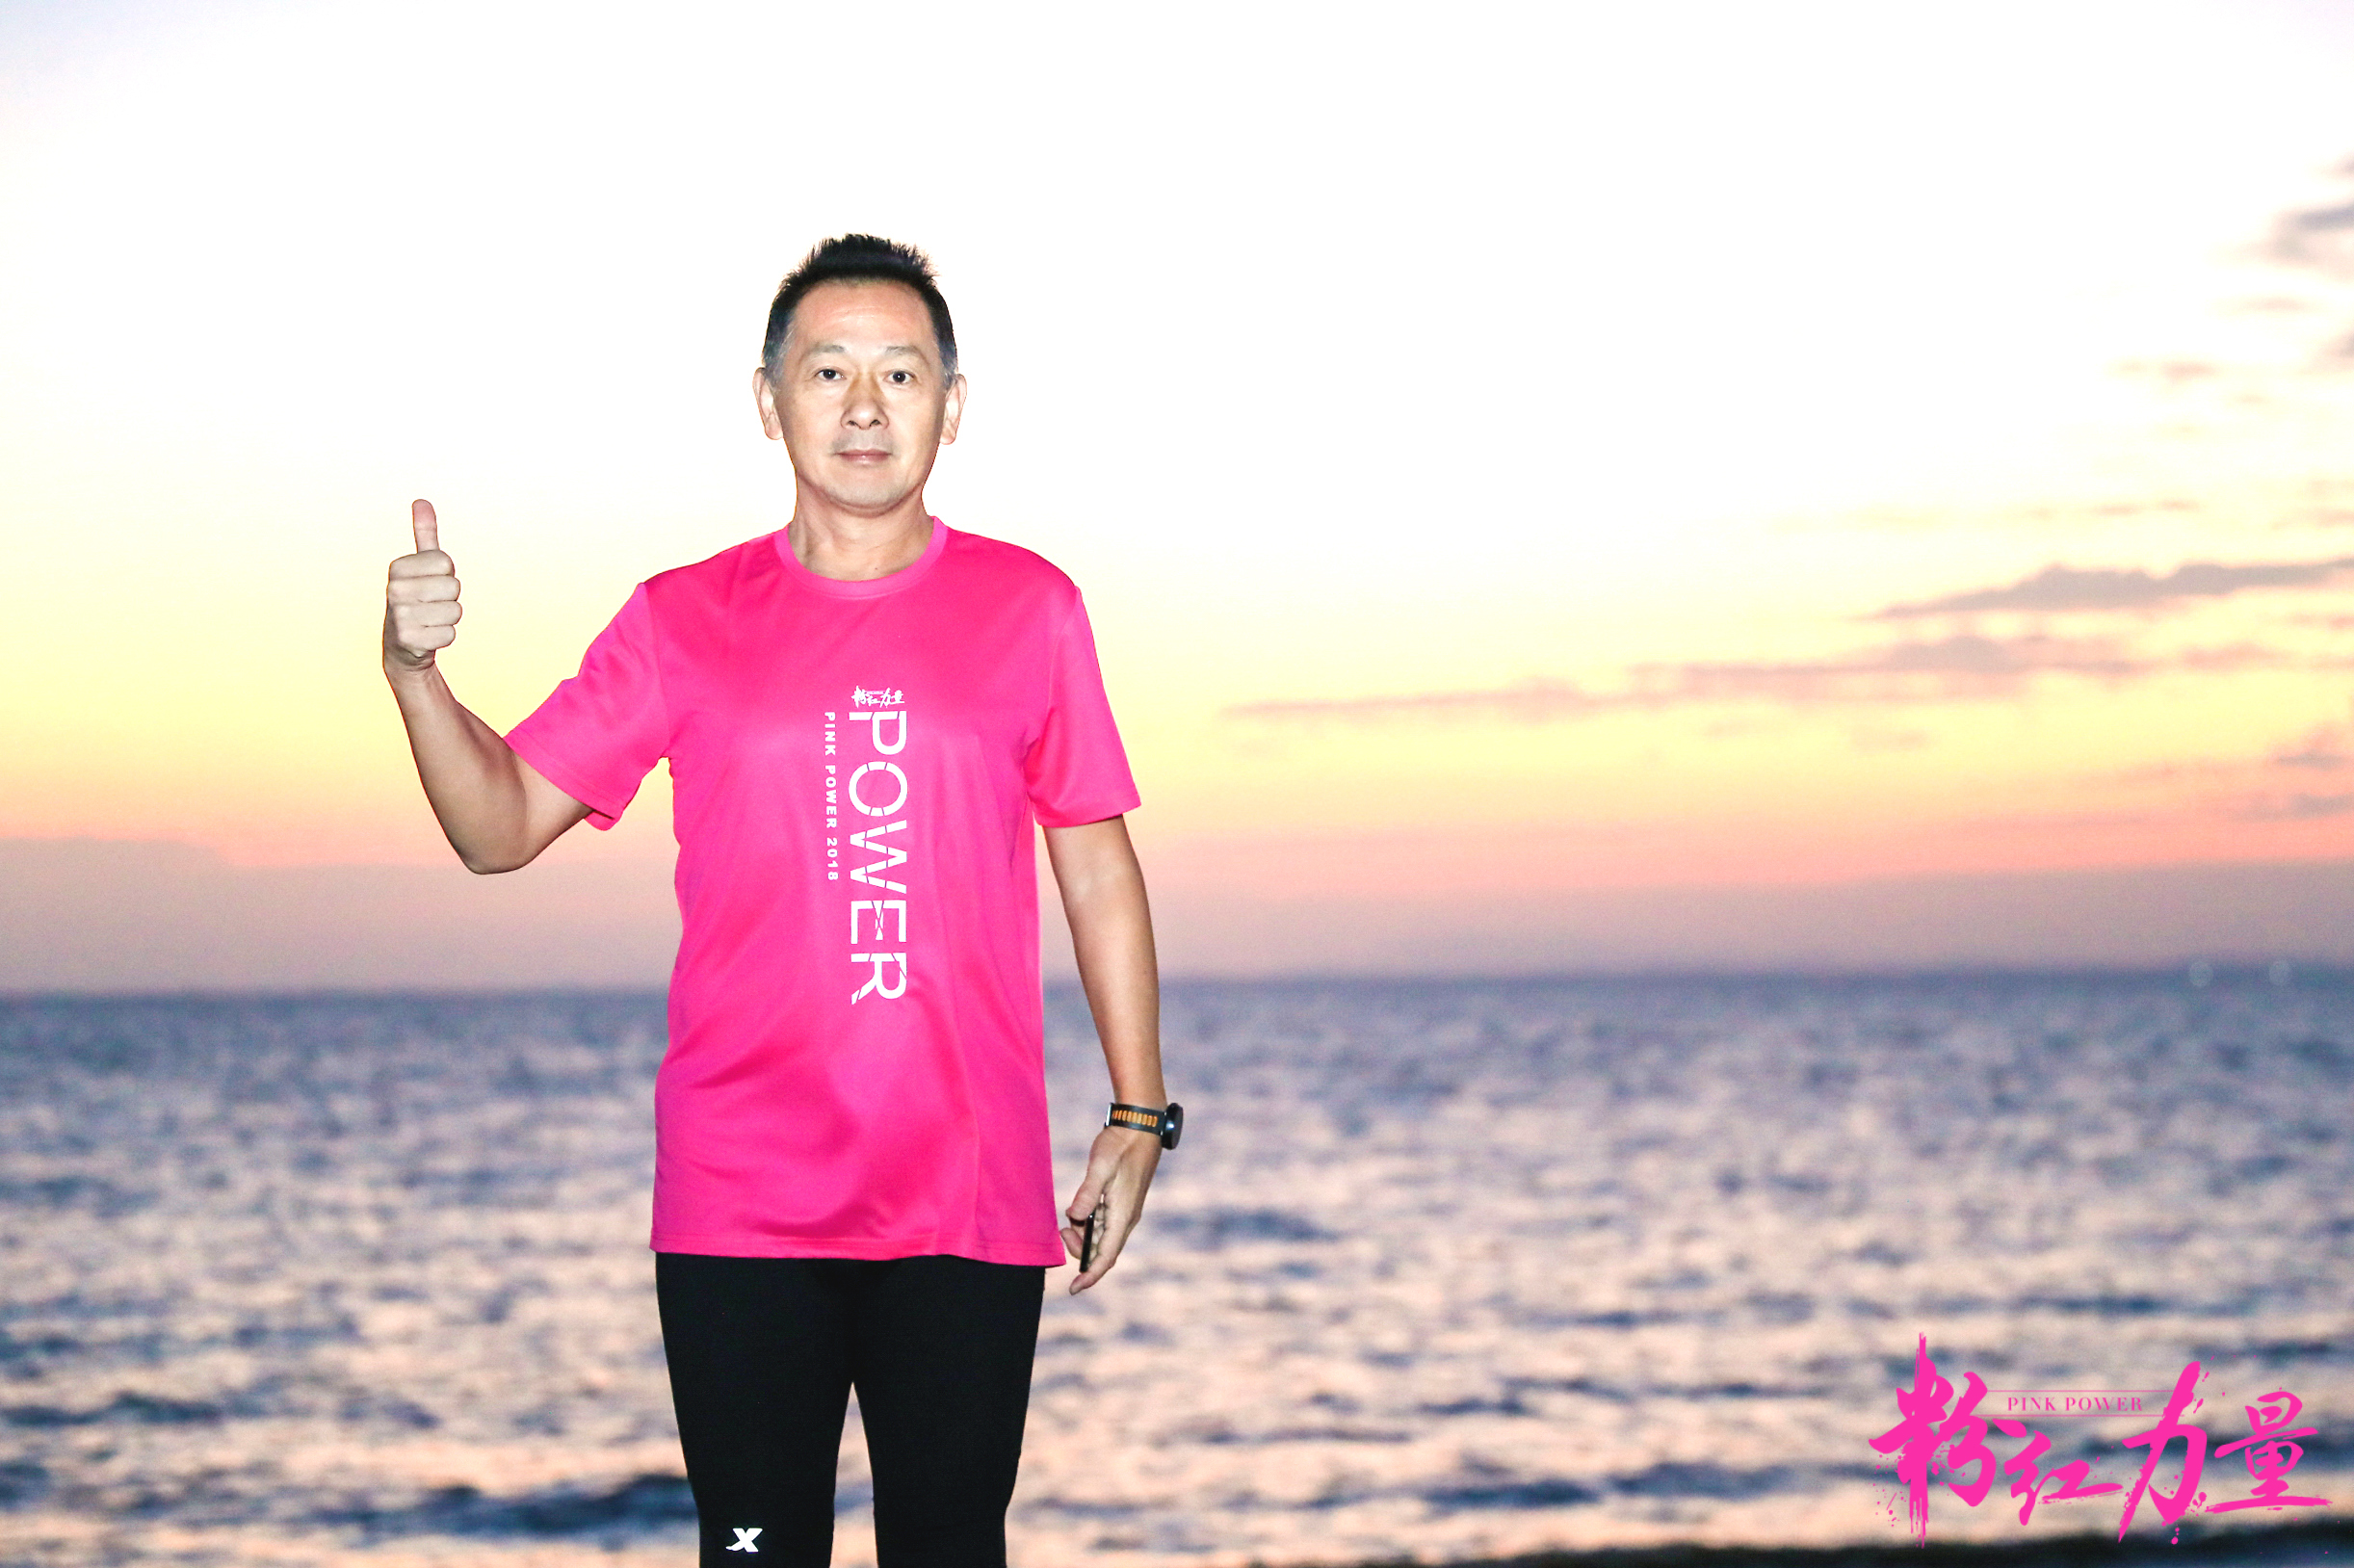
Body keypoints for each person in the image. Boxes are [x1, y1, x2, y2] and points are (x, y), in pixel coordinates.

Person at [379, 234, 1177, 1567]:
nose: (865, 407)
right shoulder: (681, 617)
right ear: (768, 401)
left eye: (900, 374)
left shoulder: (1030, 606)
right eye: (828, 371)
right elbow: (498, 825)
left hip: (966, 1197)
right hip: (742, 1202)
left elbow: (1095, 861)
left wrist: (1140, 1114)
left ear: (952, 406)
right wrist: (414, 677)